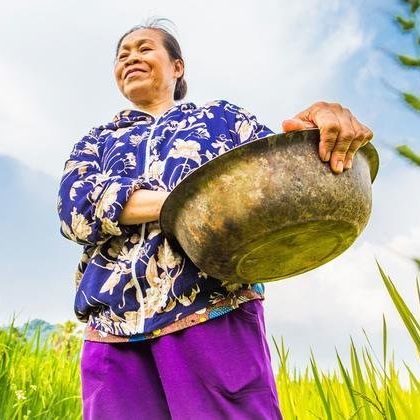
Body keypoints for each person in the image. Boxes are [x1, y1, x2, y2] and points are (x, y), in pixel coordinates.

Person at [57, 19, 374, 420]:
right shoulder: (98, 140)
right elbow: (75, 208)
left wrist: (320, 126)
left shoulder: (221, 120)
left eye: (144, 48)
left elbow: (280, 174)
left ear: (177, 67)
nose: (130, 57)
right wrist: (187, 202)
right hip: (112, 328)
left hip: (213, 310)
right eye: (122, 55)